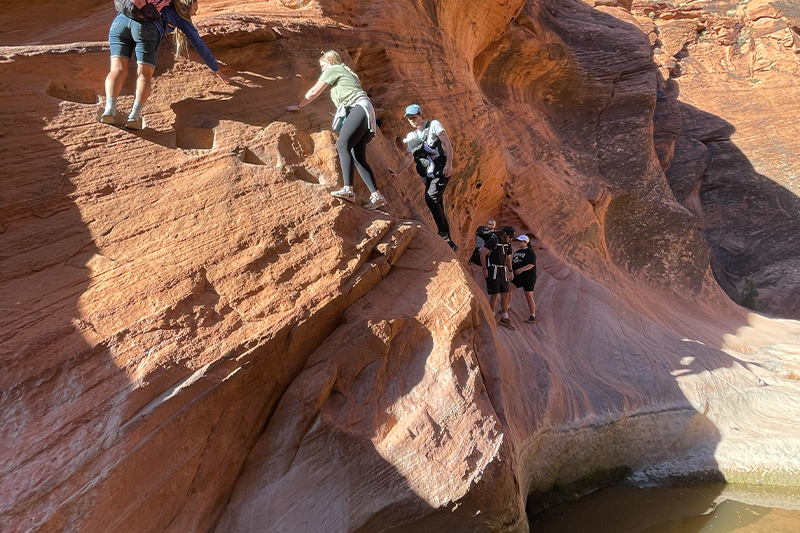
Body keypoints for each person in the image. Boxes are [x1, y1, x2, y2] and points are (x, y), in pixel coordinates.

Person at [101, 0, 231, 130]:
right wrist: (216, 69)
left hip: (120, 22)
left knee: (117, 70)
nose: (194, 14)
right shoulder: (179, 14)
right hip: (146, 30)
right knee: (144, 76)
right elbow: (198, 43)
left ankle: (109, 110)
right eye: (194, 10)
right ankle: (133, 117)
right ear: (187, 6)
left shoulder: (161, 3)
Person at [287, 51, 387, 210]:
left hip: (359, 109)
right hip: (364, 110)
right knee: (358, 156)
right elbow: (348, 96)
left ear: (330, 61)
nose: (323, 69)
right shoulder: (349, 73)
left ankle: (348, 190)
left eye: (323, 65)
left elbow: (314, 91)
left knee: (342, 146)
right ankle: (377, 196)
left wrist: (300, 106)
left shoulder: (334, 69)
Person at [388, 105, 457, 251]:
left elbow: (447, 144)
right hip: (428, 175)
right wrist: (397, 172)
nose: (412, 120)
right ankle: (450, 243)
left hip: (441, 169)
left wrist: (449, 164)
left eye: (414, 116)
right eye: (409, 118)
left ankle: (444, 234)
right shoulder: (412, 137)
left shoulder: (434, 125)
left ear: (420, 114)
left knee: (430, 197)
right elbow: (409, 157)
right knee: (438, 204)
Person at [480, 226, 516, 330]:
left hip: (503, 270)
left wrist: (510, 270)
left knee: (505, 293)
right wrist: (484, 269)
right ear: (504, 234)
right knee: (495, 294)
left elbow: (508, 257)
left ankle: (505, 318)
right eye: (510, 236)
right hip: (493, 269)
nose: (511, 239)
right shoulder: (494, 240)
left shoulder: (507, 243)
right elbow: (483, 253)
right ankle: (492, 316)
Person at [511, 234, 537, 324]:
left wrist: (521, 270)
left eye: (520, 241)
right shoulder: (517, 252)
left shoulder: (530, 252)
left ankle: (532, 316)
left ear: (525, 242)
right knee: (507, 289)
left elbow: (531, 264)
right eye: (518, 241)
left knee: (529, 296)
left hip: (529, 278)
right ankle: (506, 306)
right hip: (518, 277)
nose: (519, 243)